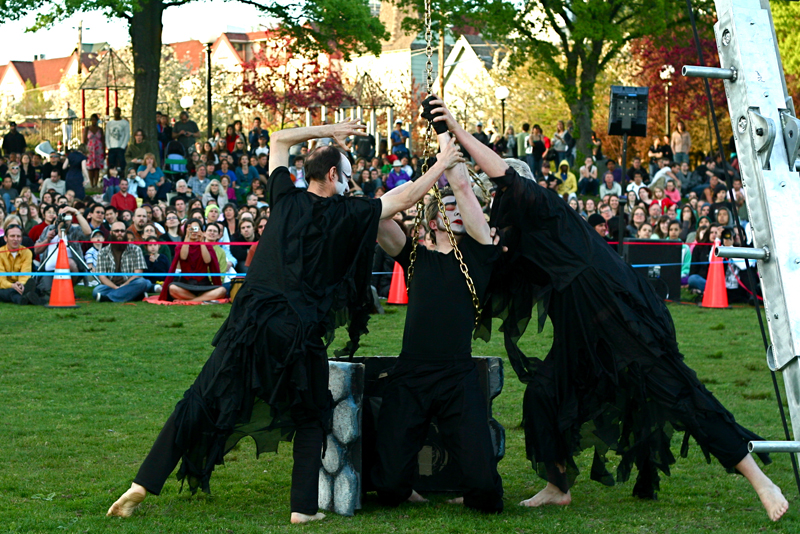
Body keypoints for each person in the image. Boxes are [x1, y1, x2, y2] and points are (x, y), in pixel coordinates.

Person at [429, 97, 789, 522]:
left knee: (678, 391)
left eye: (501, 191)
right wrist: (445, 157)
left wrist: (455, 128)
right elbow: (475, 220)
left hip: (616, 311)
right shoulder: (516, 239)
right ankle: (557, 486)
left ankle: (759, 480)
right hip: (578, 330)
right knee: (545, 392)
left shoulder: (547, 207)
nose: (496, 198)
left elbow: (497, 175)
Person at [106, 118, 461, 524]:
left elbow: (278, 139)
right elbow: (407, 196)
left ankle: (142, 484)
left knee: (199, 401)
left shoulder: (284, 197)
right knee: (311, 416)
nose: (349, 185)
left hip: (248, 324)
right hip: (298, 331)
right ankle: (302, 510)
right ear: (332, 175)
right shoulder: (345, 212)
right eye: (345, 176)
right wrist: (443, 160)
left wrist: (326, 130)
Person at [371, 125, 503, 514]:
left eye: (459, 207)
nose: (455, 211)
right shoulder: (414, 257)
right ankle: (404, 486)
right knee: (390, 489)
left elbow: (462, 187)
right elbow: (378, 214)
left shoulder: (480, 254)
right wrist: (422, 183)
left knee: (485, 494)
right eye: (443, 207)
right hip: (410, 374)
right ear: (431, 217)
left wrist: (444, 131)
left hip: (457, 376)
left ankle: (469, 487)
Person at [157, 218, 227, 302]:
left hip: (203, 284)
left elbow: (207, 260)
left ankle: (190, 300)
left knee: (222, 290)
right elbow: (183, 257)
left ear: (201, 231)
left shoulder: (207, 246)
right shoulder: (180, 246)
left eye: (196, 229)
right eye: (191, 229)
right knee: (172, 288)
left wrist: (201, 241)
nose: (194, 231)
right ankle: (202, 299)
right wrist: (187, 237)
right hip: (185, 284)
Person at [93, 221, 150, 303]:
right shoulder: (103, 252)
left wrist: (124, 286)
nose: (120, 233)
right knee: (97, 290)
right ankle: (134, 295)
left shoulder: (136, 249)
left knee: (142, 282)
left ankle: (109, 298)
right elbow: (102, 277)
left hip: (130, 283)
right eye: (116, 231)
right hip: (111, 285)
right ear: (111, 233)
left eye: (122, 231)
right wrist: (116, 288)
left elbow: (138, 274)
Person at [0, 224, 35, 305]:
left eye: (18, 236)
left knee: (35, 287)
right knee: (4, 292)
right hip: (6, 287)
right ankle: (24, 298)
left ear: (21, 239)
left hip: (21, 286)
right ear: (5, 238)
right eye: (12, 236)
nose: (15, 239)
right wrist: (12, 285)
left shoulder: (27, 252)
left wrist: (20, 285)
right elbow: (1, 279)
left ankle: (24, 297)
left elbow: (25, 275)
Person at [83, 113, 105, 188]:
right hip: (90, 150)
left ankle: (96, 183)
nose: (94, 121)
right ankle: (91, 183)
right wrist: (84, 151)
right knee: (90, 167)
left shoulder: (100, 129)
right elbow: (85, 140)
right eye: (92, 120)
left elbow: (103, 140)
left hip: (98, 150)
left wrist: (104, 151)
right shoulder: (87, 129)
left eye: (95, 120)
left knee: (97, 167)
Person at [106, 107, 130, 173]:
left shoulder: (125, 123)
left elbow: (127, 135)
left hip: (121, 147)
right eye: (115, 111)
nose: (116, 113)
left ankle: (122, 176)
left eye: (118, 111)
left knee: (122, 163)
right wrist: (108, 146)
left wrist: (123, 146)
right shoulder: (109, 123)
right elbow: (107, 135)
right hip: (111, 147)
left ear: (120, 112)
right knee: (111, 164)